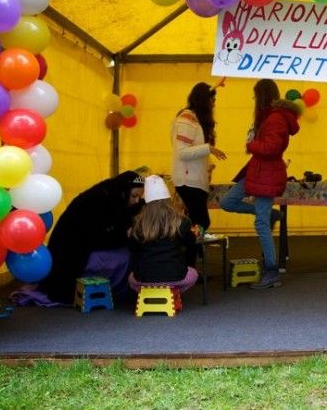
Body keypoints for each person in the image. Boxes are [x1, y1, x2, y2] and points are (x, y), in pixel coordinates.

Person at [220, 79, 300, 289]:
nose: (254, 99)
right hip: (258, 171)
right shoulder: (272, 117)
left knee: (261, 224)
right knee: (227, 202)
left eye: (255, 95)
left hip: (266, 173)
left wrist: (252, 143)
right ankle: (271, 214)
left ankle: (272, 271)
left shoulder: (275, 118)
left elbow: (271, 148)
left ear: (262, 96)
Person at [35, 171, 145, 304]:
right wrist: (125, 237)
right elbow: (96, 235)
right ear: (124, 191)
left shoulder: (113, 196)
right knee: (124, 256)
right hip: (69, 249)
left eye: (139, 197)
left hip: (82, 243)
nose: (136, 201)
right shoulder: (99, 199)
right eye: (134, 196)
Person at [172, 82, 227, 267]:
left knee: (197, 222)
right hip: (188, 181)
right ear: (204, 100)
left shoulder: (195, 120)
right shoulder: (186, 118)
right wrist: (208, 149)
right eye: (213, 99)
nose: (214, 104)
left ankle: (189, 264)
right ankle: (186, 264)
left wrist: (207, 165)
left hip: (194, 180)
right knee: (201, 221)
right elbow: (182, 152)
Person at [128, 176, 198, 295]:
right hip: (175, 275)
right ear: (168, 200)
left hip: (144, 278)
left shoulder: (138, 223)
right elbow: (191, 243)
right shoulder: (181, 221)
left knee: (130, 278)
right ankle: (172, 292)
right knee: (193, 274)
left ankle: (151, 293)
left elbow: (132, 248)